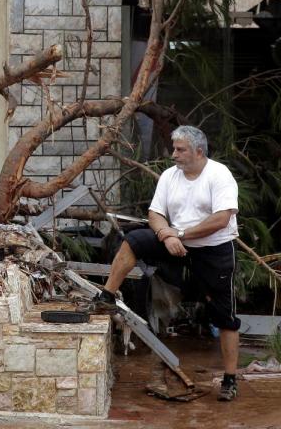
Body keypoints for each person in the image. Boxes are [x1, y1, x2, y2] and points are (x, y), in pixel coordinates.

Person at [90, 125, 242, 401]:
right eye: (174, 149)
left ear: (198, 151)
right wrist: (164, 234)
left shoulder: (219, 175)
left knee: (225, 316)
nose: (174, 155)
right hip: (175, 240)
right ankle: (107, 295)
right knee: (134, 240)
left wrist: (180, 233)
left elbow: (221, 218)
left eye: (180, 149)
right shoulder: (170, 176)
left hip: (213, 249)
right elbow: (155, 213)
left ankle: (230, 379)